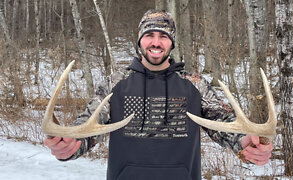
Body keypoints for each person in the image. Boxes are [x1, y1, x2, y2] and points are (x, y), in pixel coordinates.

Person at [44, 9, 273, 180]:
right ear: (140, 41)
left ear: (171, 42)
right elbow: (90, 122)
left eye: (163, 36)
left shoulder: (195, 85)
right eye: (149, 35)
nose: (156, 42)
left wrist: (246, 142)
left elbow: (222, 122)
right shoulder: (116, 84)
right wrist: (70, 144)